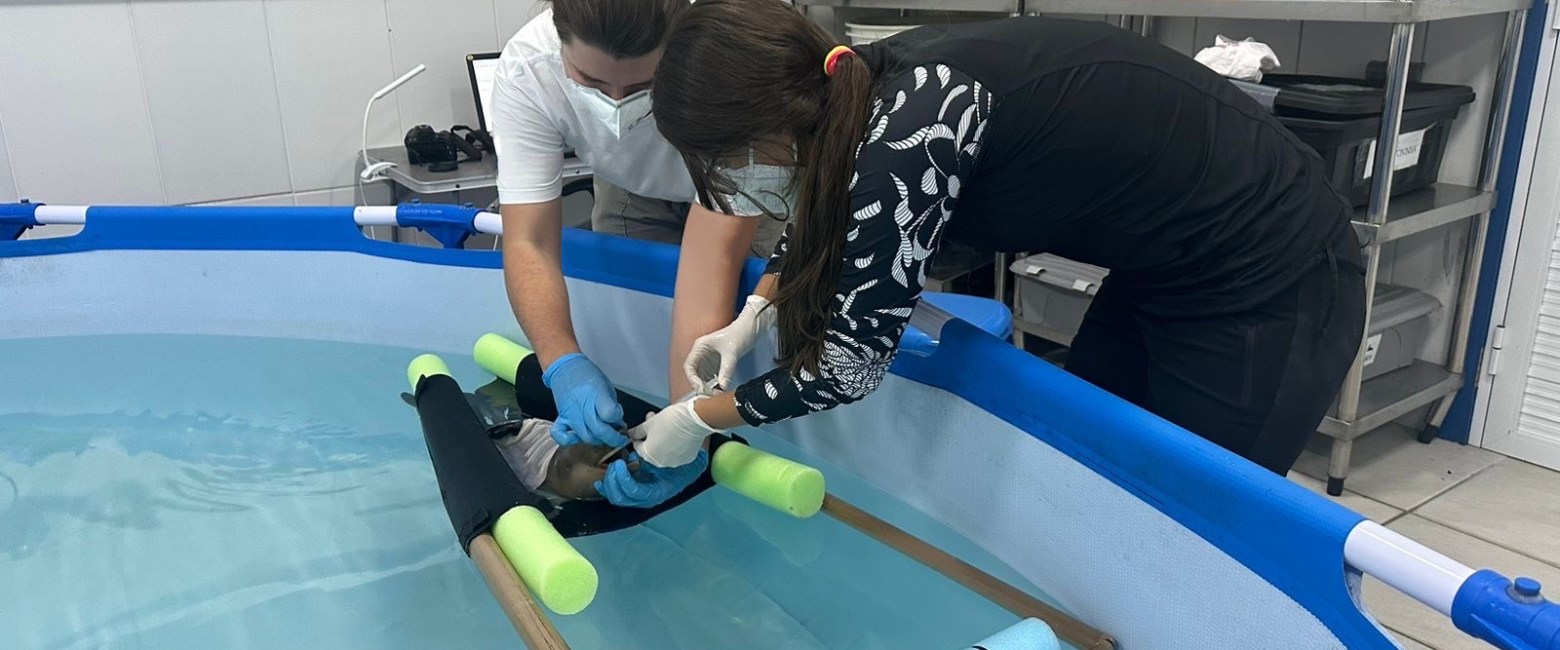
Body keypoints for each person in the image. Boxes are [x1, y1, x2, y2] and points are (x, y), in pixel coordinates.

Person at [627, 0, 1368, 479]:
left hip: (1276, 274)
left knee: (1197, 522)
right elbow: (834, 209)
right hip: (1164, 271)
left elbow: (848, 370)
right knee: (1102, 478)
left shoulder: (912, 131)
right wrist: (754, 310)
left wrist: (692, 420)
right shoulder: (854, 88)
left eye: (730, 159)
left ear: (772, 120)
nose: (735, 180)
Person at [490, 0, 788, 506]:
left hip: (734, 166)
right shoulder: (527, 69)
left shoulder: (730, 59)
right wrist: (561, 361)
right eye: (590, 82)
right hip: (629, 183)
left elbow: (709, 262)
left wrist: (689, 425)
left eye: (641, 86)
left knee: (760, 327)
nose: (615, 104)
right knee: (640, 319)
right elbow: (529, 242)